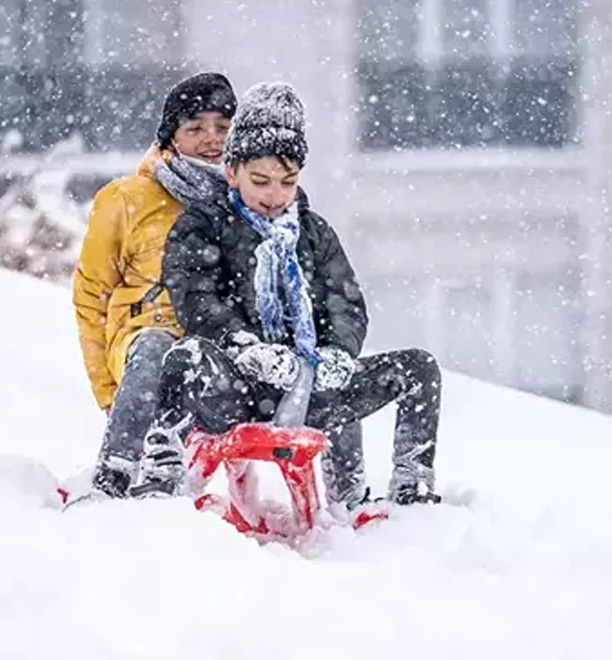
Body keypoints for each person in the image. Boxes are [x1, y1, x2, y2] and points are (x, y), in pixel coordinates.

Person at [151, 81, 443, 508]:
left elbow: (345, 302)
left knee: (419, 367)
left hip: (310, 389)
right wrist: (243, 345)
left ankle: (411, 490)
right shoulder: (203, 225)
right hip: (239, 388)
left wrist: (337, 353)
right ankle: (160, 474)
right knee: (184, 356)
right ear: (231, 172)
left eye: (287, 182)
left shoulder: (314, 233)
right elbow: (195, 297)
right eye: (261, 181)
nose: (274, 196)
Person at [72, 72, 237, 499]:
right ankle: (115, 475)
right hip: (142, 345)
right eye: (195, 128)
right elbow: (91, 297)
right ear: (170, 136)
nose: (211, 139)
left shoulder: (249, 198)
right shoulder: (127, 198)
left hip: (212, 349)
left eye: (222, 127)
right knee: (156, 347)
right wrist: (109, 393)